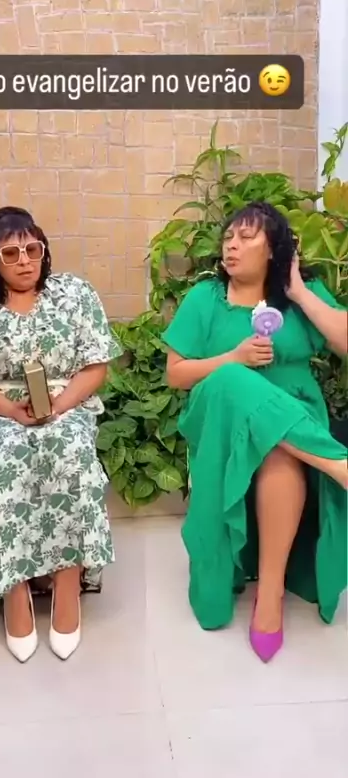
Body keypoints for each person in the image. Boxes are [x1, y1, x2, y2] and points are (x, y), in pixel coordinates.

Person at [0, 206, 121, 663]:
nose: (25, 261)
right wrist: (12, 410)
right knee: (9, 456)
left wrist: (60, 405)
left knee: (69, 449)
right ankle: (14, 590)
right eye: (11, 253)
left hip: (66, 403)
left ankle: (68, 585)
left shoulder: (73, 294)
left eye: (33, 249)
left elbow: (96, 367)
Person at [162, 201, 348, 663]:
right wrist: (233, 358)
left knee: (279, 452)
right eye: (228, 237)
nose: (232, 245)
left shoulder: (301, 294)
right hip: (219, 420)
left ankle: (270, 594)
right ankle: (336, 463)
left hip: (292, 417)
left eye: (246, 237)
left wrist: (299, 291)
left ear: (274, 249)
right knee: (230, 378)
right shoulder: (205, 298)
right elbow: (177, 374)